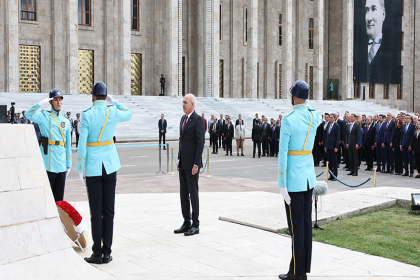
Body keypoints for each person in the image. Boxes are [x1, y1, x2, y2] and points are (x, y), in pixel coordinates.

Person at [77, 81, 132, 264]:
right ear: (105, 96)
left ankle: (97, 253)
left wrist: (80, 168)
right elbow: (129, 113)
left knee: (96, 212)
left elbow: (82, 144)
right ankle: (107, 251)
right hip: (110, 166)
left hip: (93, 167)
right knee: (109, 211)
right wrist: (115, 102)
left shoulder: (86, 115)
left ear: (93, 97)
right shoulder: (113, 111)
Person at [278, 80, 322, 280]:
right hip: (308, 179)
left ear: (293, 97)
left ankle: (298, 274)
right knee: (304, 226)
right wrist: (305, 104)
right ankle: (298, 268)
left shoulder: (288, 119)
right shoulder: (314, 116)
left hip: (293, 182)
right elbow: (314, 110)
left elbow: (283, 154)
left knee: (296, 228)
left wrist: (282, 184)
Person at [25, 89, 72, 202]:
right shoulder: (44, 116)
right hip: (48, 163)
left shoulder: (66, 121)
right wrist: (40, 103)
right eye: (55, 100)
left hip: (61, 163)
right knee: (47, 199)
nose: (58, 102)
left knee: (59, 199)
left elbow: (68, 145)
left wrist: (68, 164)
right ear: (51, 102)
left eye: (60, 99)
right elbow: (28, 114)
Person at [175, 94, 204, 237]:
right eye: (182, 102)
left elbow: (200, 143)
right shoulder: (183, 119)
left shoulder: (198, 120)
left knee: (193, 194)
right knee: (183, 194)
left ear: (192, 104)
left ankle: (195, 224)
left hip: (192, 165)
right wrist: (179, 159)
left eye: (185, 102)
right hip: (183, 163)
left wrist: (196, 164)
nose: (183, 105)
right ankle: (186, 222)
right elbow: (182, 142)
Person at [354, 0, 399, 84]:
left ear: (383, 14)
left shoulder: (392, 51)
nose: (369, 18)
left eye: (373, 9)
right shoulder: (358, 51)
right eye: (367, 10)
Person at [325, 113, 340, 181]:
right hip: (328, 146)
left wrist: (336, 147)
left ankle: (335, 175)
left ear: (334, 118)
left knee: (334, 162)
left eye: (331, 117)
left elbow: (338, 137)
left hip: (333, 146)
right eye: (329, 117)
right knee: (329, 162)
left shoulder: (337, 126)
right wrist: (325, 146)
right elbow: (326, 136)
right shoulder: (328, 125)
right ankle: (331, 174)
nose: (330, 119)